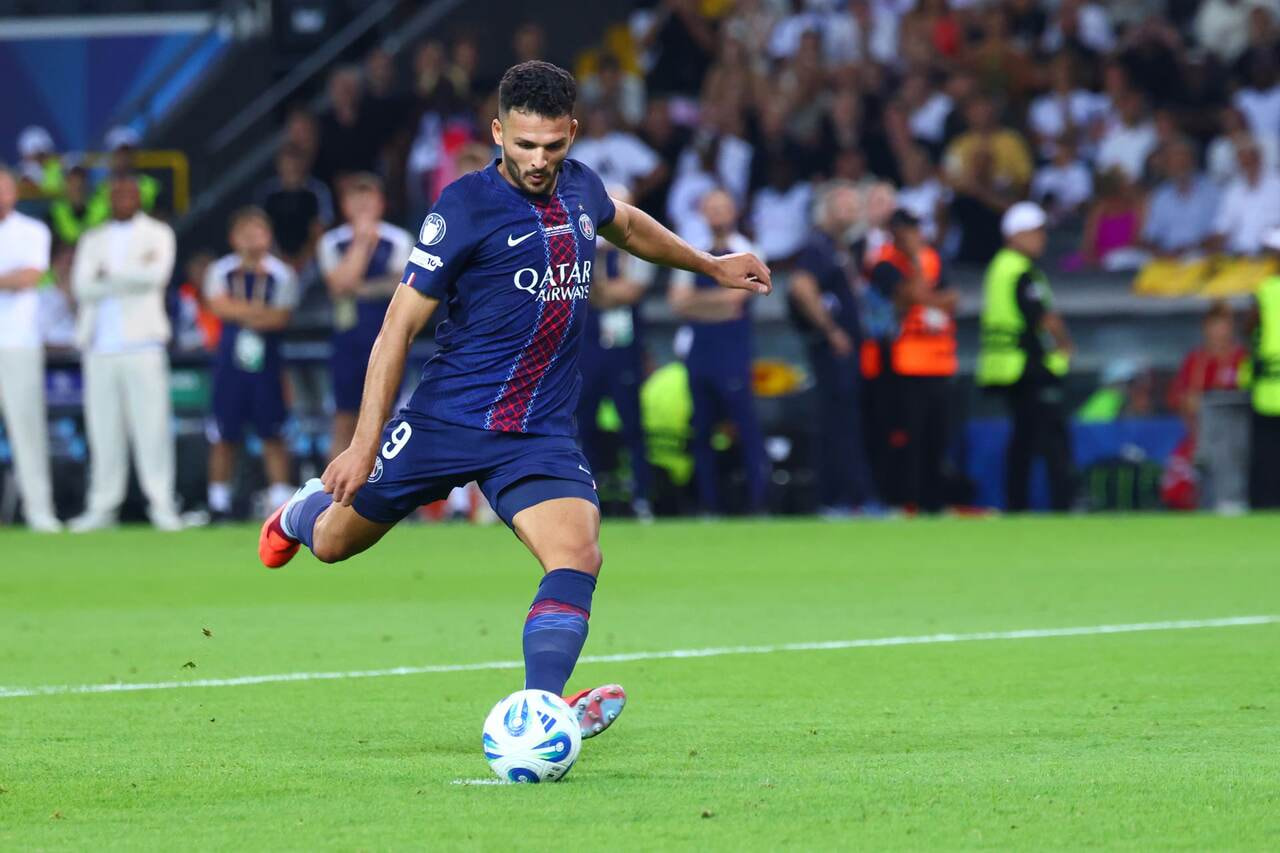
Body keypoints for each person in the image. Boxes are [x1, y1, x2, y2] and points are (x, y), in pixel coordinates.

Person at [256, 62, 770, 740]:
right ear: (499, 131)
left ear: (572, 135)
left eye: (553, 146)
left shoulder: (583, 187)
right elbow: (396, 329)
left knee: (578, 555)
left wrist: (708, 263)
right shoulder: (463, 208)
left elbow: (628, 225)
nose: (537, 160)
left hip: (538, 433)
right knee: (334, 543)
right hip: (446, 419)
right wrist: (361, 444)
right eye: (524, 145)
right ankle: (303, 510)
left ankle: (540, 711)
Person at [67, 174, 182, 531]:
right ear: (108, 197)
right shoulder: (92, 237)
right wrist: (130, 275)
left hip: (143, 343)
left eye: (129, 192)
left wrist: (108, 276)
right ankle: (102, 506)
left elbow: (156, 277)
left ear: (139, 198)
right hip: (99, 345)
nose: (123, 198)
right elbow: (81, 287)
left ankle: (162, 504)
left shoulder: (159, 233)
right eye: (117, 192)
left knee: (152, 428)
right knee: (103, 431)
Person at [669, 188, 768, 515]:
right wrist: (713, 305)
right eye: (711, 208)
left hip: (732, 348)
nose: (718, 215)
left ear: (734, 211)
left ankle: (759, 503)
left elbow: (737, 302)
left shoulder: (747, 250)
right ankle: (708, 505)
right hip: (702, 350)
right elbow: (677, 302)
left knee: (746, 427)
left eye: (723, 208)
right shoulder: (693, 252)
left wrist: (697, 305)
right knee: (702, 430)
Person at [977, 202, 1076, 512]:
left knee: (1023, 438)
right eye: (1035, 231)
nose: (1042, 238)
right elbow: (1043, 317)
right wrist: (1064, 345)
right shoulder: (1019, 270)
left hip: (1006, 365)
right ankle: (1062, 503)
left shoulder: (999, 266)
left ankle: (1016, 505)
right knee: (1051, 438)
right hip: (1026, 364)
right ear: (1017, 234)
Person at [788, 183, 880, 516]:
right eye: (845, 206)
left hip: (848, 348)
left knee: (846, 420)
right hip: (833, 350)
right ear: (827, 210)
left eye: (856, 206)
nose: (852, 212)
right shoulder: (818, 246)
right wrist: (831, 330)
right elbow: (801, 287)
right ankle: (841, 498)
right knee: (838, 422)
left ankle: (847, 496)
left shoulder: (844, 247)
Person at [204, 208, 300, 520]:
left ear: (268, 236)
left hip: (266, 365)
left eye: (257, 232)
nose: (250, 239)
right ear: (233, 239)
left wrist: (239, 311)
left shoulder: (281, 274)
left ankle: (280, 501)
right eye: (244, 233)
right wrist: (257, 313)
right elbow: (218, 308)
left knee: (273, 433)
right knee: (223, 434)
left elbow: (280, 317)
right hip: (230, 365)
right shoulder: (220, 271)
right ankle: (218, 503)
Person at [317, 173, 413, 458]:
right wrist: (361, 242)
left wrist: (358, 287)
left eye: (368, 197)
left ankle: (384, 491)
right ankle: (329, 495)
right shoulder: (331, 242)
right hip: (347, 339)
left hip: (386, 334)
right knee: (344, 416)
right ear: (344, 205)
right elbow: (338, 285)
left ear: (381, 203)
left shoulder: (398, 239)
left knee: (387, 416)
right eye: (355, 198)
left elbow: (400, 285)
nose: (362, 204)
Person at [868, 210, 957, 513]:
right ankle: (906, 500)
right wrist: (923, 283)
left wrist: (925, 297)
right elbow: (908, 295)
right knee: (908, 437)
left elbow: (953, 298)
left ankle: (934, 501)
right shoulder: (885, 264)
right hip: (903, 364)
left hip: (939, 361)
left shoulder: (935, 257)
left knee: (937, 436)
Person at [576, 187, 654, 520]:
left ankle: (642, 497)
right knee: (583, 425)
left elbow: (628, 292)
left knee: (633, 425)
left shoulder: (638, 251)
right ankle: (585, 497)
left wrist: (603, 290)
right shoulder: (583, 247)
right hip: (588, 349)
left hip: (623, 350)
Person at [0, 166, 60, 532]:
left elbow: (32, 275)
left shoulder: (33, 231)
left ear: (14, 193)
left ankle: (40, 512)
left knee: (28, 431)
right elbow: (17, 277)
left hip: (19, 343)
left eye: (3, 188)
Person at [255, 145, 334, 271]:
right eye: (286, 164)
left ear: (304, 164)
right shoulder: (267, 193)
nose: (291, 168)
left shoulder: (318, 191)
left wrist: (303, 260)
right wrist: (280, 259)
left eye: (295, 163)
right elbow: (262, 229)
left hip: (312, 260)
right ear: (278, 165)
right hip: (276, 258)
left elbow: (320, 228)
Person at [1247, 226, 1280, 509]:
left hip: (1268, 387)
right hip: (1269, 386)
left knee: (1268, 455)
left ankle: (1267, 503)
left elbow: (1252, 331)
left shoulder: (1266, 290)